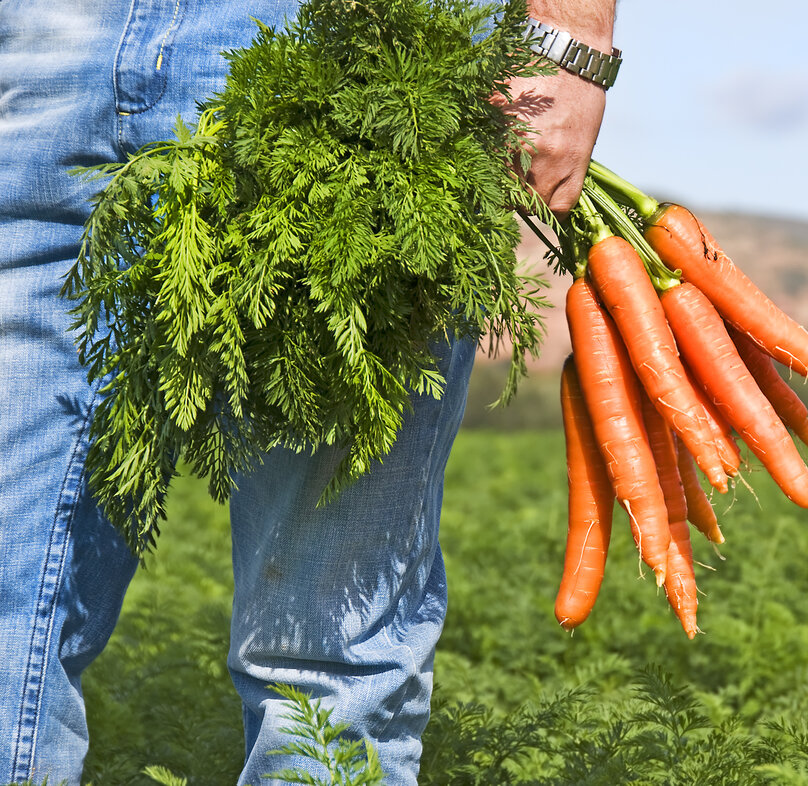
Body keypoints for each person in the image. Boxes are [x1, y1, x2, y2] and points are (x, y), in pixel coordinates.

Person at [0, 0, 615, 782]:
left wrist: (573, 41)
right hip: (55, 52)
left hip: (357, 60)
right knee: (8, 608)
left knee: (327, 652)